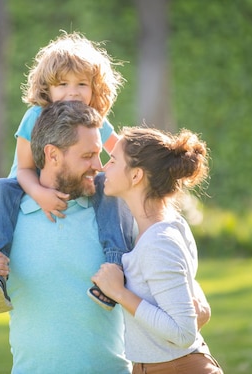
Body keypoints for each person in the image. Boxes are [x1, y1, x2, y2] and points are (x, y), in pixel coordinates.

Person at [0, 101, 132, 373]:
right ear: (52, 155)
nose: (99, 165)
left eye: (99, 154)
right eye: (87, 156)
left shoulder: (116, 216)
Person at [0, 31, 130, 314]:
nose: (73, 92)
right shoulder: (35, 116)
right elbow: (24, 169)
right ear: (48, 88)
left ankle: (114, 266)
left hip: (79, 181)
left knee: (108, 185)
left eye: (82, 84)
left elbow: (118, 151)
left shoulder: (93, 120)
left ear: (95, 88)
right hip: (26, 183)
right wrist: (40, 194)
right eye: (63, 84)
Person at [91, 127, 224, 373]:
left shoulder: (158, 241)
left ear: (135, 176)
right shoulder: (167, 226)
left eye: (113, 160)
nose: (103, 168)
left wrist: (119, 293)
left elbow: (183, 332)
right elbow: (188, 291)